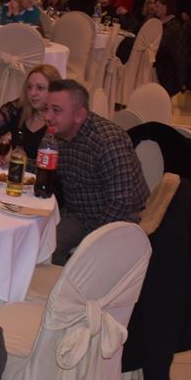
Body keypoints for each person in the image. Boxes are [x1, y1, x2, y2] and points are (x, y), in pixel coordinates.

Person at [44, 79, 148, 265]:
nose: (48, 116)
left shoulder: (107, 142)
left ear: (79, 115)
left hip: (120, 221)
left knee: (62, 248)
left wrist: (93, 241)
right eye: (47, 109)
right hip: (79, 214)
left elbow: (121, 202)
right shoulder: (59, 134)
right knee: (44, 243)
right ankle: (59, 280)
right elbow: (49, 168)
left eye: (56, 110)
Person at [153, 0, 188, 96]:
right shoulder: (160, 22)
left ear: (166, 7)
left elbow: (177, 55)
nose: (155, 9)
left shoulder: (174, 28)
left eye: (157, 6)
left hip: (167, 72)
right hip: (160, 67)